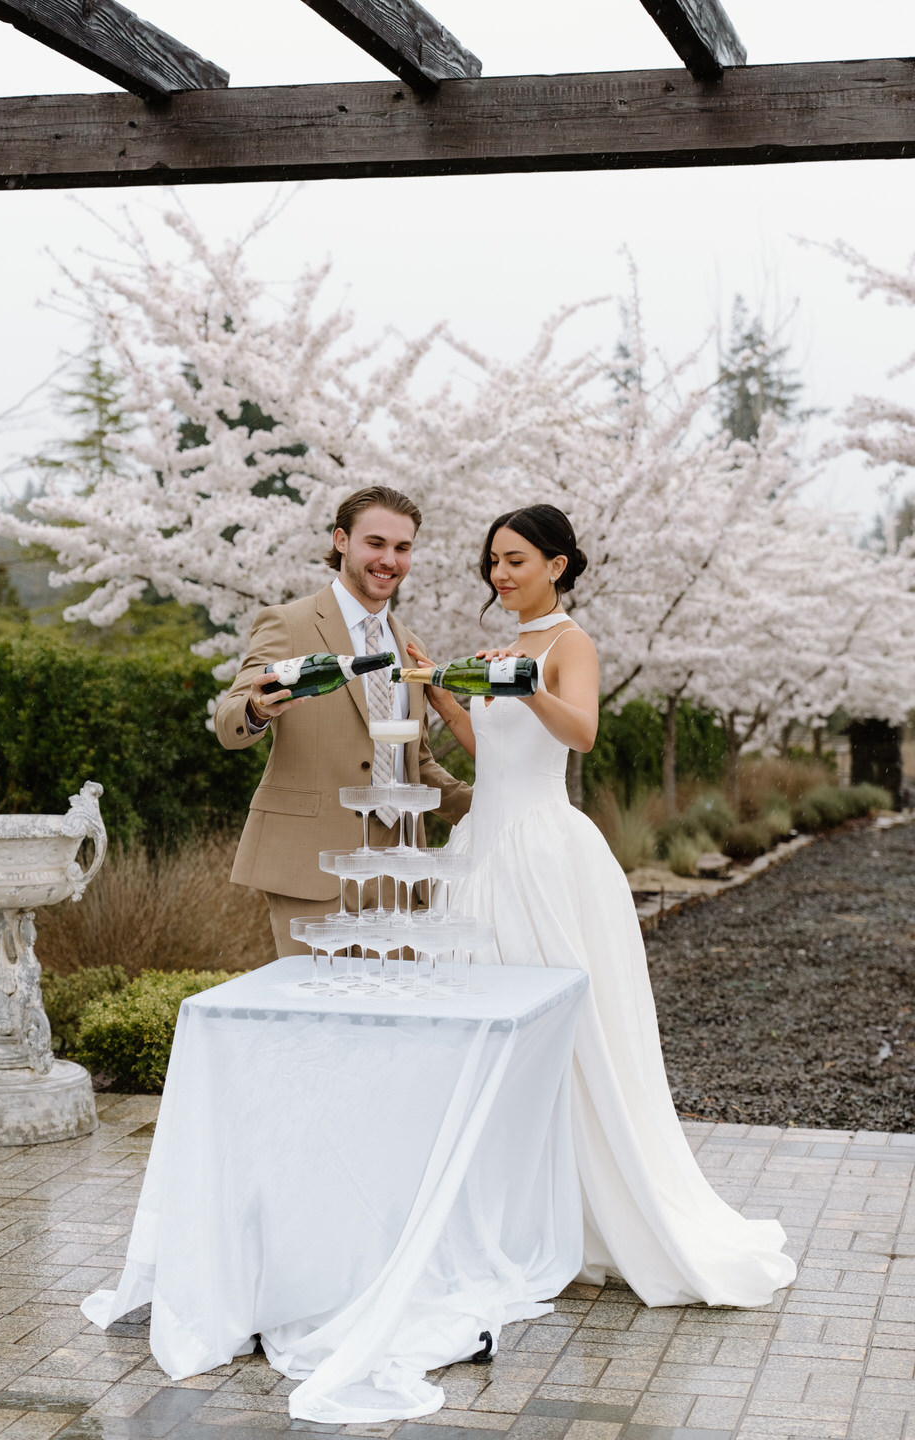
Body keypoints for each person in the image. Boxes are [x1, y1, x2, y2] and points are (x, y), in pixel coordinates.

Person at [420, 503, 796, 1308]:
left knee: (562, 1035)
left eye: (516, 559)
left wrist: (518, 684)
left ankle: (585, 1210)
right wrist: (451, 702)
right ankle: (507, 1210)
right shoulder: (510, 647)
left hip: (541, 859)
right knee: (487, 1035)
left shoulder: (568, 643)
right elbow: (498, 757)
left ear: (557, 564)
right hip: (481, 853)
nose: (501, 574)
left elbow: (580, 733)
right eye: (493, 561)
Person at [214, 485, 471, 956]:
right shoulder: (288, 623)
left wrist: (493, 808)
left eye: (402, 548)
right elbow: (229, 721)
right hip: (312, 867)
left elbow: (412, 762)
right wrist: (256, 709)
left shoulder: (409, 643)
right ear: (341, 541)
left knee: (393, 1018)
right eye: (376, 544)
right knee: (320, 1018)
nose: (389, 560)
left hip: (399, 867)